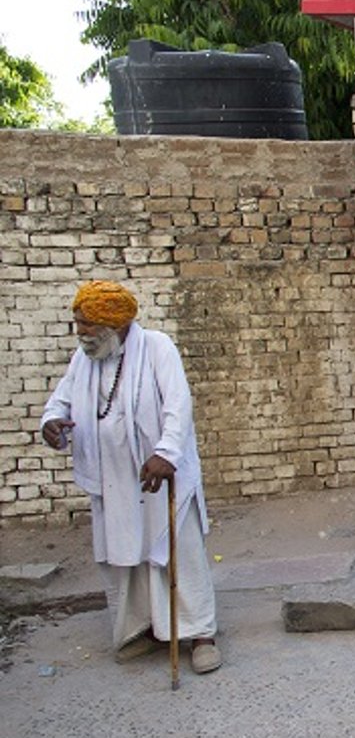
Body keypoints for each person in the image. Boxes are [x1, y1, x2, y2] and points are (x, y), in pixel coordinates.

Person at [40, 281, 221, 674]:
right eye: (78, 324)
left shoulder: (158, 348)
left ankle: (201, 634)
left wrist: (166, 453)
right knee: (125, 555)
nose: (81, 333)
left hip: (158, 475)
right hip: (115, 479)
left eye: (87, 325)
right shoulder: (84, 357)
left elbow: (179, 405)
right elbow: (61, 400)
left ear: (114, 324)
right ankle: (144, 629)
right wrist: (51, 423)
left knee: (178, 552)